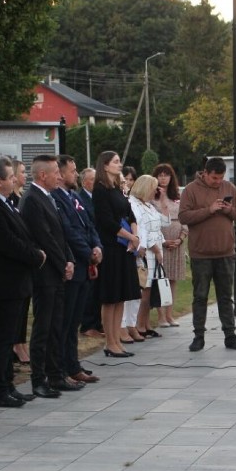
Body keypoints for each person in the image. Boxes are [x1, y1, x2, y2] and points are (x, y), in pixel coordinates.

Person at [0, 156, 46, 407]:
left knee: (8, 337)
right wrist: (35, 256)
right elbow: (6, 242)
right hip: (2, 281)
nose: (15, 179)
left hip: (15, 281)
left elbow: (22, 233)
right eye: (10, 176)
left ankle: (7, 384)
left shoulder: (3, 202)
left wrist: (34, 250)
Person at [20, 155, 77, 396]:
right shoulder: (32, 199)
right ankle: (39, 379)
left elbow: (60, 234)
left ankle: (56, 375)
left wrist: (69, 259)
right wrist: (62, 262)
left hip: (57, 271)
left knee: (56, 325)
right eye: (56, 172)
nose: (60, 176)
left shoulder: (48, 197)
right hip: (45, 273)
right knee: (43, 327)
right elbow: (44, 237)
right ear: (43, 175)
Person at [178, 157, 236, 352]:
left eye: (221, 178)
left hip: (225, 252)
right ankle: (198, 336)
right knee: (200, 296)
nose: (218, 182)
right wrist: (209, 210)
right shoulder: (191, 190)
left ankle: (230, 335)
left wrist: (228, 210)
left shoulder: (229, 188)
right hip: (201, 254)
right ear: (205, 173)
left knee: (226, 296)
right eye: (214, 178)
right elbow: (183, 216)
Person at [53, 155, 102, 384]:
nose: (76, 174)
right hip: (73, 263)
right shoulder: (56, 198)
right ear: (61, 174)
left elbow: (88, 224)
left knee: (74, 322)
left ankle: (73, 365)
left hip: (85, 265)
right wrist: (87, 252)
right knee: (66, 321)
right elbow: (68, 231)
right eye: (73, 171)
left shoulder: (73, 197)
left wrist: (97, 247)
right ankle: (61, 367)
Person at [92, 151, 141, 357]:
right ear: (104, 165)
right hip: (111, 247)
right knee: (110, 297)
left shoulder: (117, 189)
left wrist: (134, 235)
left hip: (125, 248)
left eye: (120, 161)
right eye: (115, 162)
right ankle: (109, 341)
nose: (119, 165)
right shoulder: (100, 190)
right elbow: (106, 221)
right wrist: (129, 236)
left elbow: (130, 213)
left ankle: (117, 340)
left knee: (121, 296)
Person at [152, 163, 188, 327]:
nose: (163, 178)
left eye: (166, 175)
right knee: (161, 278)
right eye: (160, 175)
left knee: (173, 279)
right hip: (161, 241)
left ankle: (169, 314)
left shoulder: (178, 195)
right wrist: (163, 241)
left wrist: (181, 238)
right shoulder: (152, 196)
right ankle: (160, 316)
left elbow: (184, 218)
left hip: (178, 241)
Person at [130, 175, 165, 338]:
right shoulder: (134, 204)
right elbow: (142, 228)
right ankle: (138, 325)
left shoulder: (149, 205)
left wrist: (161, 245)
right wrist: (156, 249)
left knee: (149, 291)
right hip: (146, 251)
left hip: (155, 249)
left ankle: (145, 324)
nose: (156, 191)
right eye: (154, 188)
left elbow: (160, 225)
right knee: (144, 290)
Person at [77, 167, 104, 339]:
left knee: (98, 289)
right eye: (93, 179)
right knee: (90, 291)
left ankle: (97, 322)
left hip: (98, 246)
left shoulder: (97, 197)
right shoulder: (81, 199)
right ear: (85, 182)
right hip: (88, 249)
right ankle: (88, 325)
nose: (97, 182)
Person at [10, 158, 31, 366]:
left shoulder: (21, 197)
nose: (25, 176)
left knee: (25, 306)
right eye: (23, 172)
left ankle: (21, 342)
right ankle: (15, 344)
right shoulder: (12, 200)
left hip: (26, 262)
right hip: (16, 261)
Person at [119, 166, 143, 344]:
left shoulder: (129, 200)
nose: (126, 184)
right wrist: (131, 238)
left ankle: (131, 324)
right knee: (122, 293)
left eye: (128, 180)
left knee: (135, 291)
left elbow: (133, 219)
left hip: (134, 244)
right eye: (122, 181)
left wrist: (135, 238)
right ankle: (122, 327)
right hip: (121, 246)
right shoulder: (118, 199)